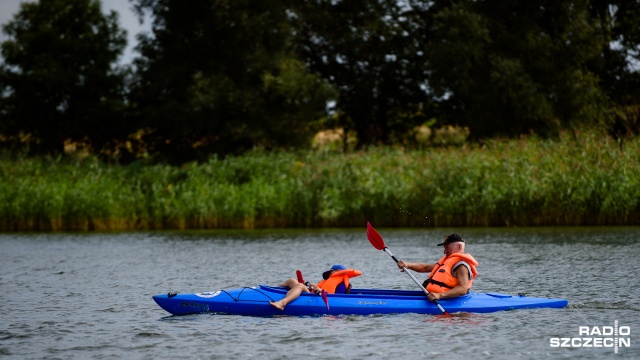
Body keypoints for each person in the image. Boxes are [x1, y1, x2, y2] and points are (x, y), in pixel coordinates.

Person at [397, 233, 478, 302]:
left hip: (448, 300)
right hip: (432, 297)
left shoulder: (461, 266)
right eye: (444, 248)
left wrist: (439, 295)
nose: (444, 252)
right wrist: (407, 265)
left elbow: (463, 289)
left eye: (447, 248)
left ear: (459, 247)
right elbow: (425, 267)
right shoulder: (446, 261)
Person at [269, 264, 362, 310]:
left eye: (331, 272)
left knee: (300, 285)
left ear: (338, 271)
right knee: (291, 280)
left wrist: (319, 290)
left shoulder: (341, 285)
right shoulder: (328, 281)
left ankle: (282, 303)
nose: (329, 274)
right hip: (316, 294)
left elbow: (336, 298)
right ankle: (271, 291)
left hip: (321, 299)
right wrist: (313, 288)